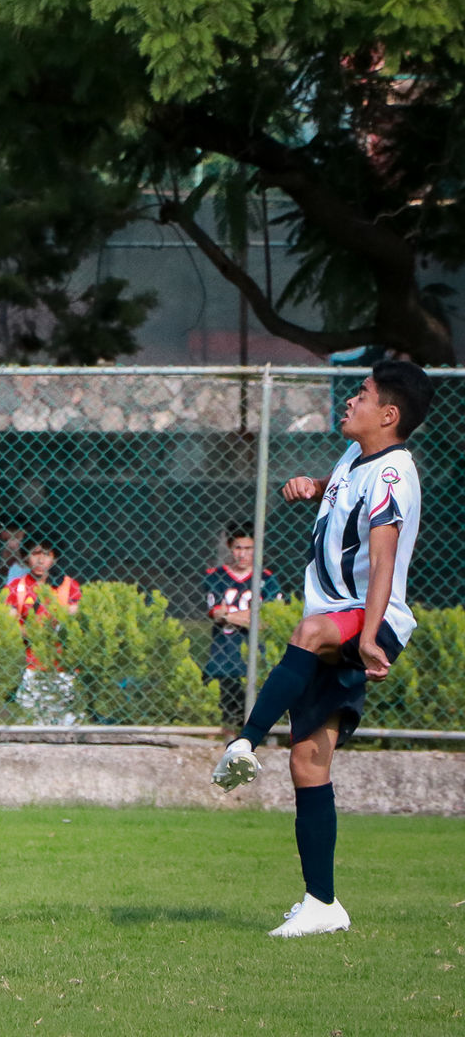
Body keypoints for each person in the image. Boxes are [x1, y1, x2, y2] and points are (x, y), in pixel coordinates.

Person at [212, 361, 433, 938]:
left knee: (308, 635)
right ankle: (322, 904)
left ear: (388, 415)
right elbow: (347, 524)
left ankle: (242, 740)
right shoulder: (351, 460)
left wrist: (367, 634)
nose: (349, 402)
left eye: (360, 395)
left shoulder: (392, 473)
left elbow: (383, 559)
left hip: (367, 619)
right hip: (341, 616)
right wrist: (313, 490)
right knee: (308, 762)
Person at [202, 527, 281, 730]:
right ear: (230, 547)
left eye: (248, 548)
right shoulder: (216, 576)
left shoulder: (268, 579)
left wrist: (230, 615)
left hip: (257, 658)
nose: (243, 554)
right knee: (225, 722)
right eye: (238, 547)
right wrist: (249, 616)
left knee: (260, 720)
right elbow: (216, 613)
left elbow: (268, 620)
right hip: (224, 657)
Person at [6, 539, 82, 723]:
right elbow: (9, 623)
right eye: (35, 554)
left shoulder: (68, 585)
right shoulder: (18, 587)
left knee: (68, 721)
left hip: (64, 666)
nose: (40, 560)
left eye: (47, 554)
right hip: (31, 666)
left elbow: (78, 615)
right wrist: (35, 633)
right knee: (31, 721)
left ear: (55, 558)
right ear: (26, 557)